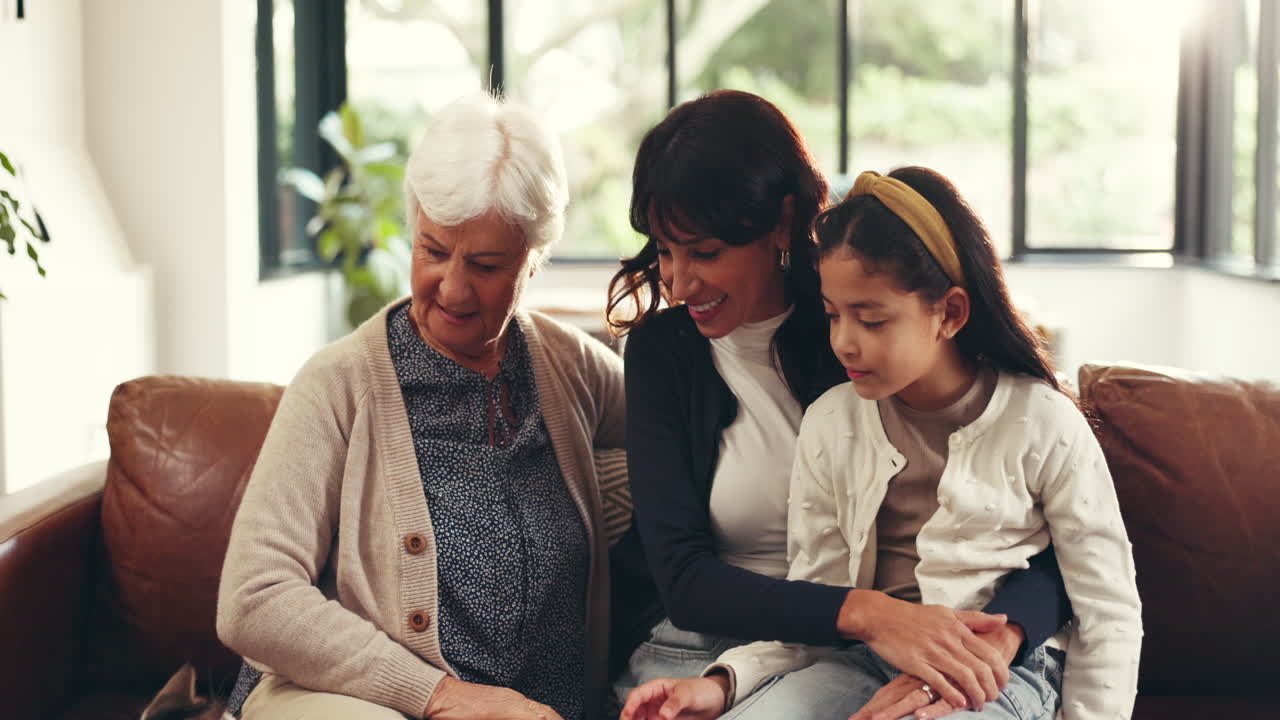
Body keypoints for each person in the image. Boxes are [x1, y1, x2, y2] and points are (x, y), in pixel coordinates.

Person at [607, 90, 1072, 720]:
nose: (678, 282)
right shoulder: (664, 356)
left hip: (866, 648)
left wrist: (984, 642)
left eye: (706, 253)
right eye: (665, 250)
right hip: (701, 649)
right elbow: (684, 582)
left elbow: (1051, 544)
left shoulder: (862, 338)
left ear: (781, 221)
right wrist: (871, 615)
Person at [216, 92, 625, 720]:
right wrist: (441, 697)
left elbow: (697, 428)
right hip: (356, 704)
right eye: (433, 251)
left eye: (486, 265)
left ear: (533, 261)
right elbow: (253, 597)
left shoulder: (571, 368)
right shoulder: (338, 384)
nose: (453, 287)